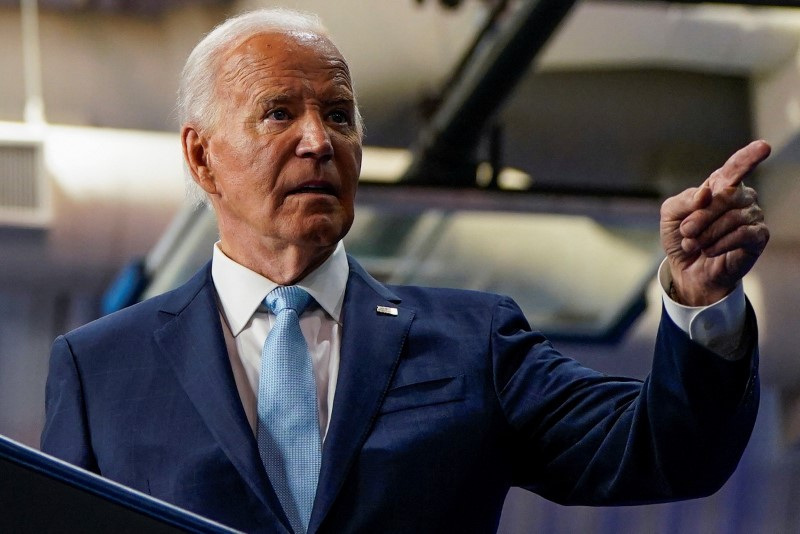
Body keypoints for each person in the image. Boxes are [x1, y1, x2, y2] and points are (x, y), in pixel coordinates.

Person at [41, 7, 769, 534]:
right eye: (277, 113)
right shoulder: (101, 370)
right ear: (201, 156)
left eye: (340, 115)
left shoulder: (471, 344)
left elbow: (664, 452)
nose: (319, 142)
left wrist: (699, 304)